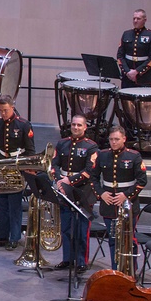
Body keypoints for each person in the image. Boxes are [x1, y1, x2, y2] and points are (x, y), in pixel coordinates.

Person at [91, 125, 147, 272]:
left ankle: (130, 272)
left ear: (124, 139)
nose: (114, 142)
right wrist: (101, 194)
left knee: (129, 240)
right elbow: (93, 178)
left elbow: (142, 181)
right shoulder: (102, 155)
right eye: (111, 139)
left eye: (117, 139)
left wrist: (126, 196)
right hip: (108, 203)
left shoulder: (134, 156)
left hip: (128, 204)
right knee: (113, 240)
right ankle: (116, 271)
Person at [0, 95, 34, 251]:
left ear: (13, 107)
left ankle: (14, 237)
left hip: (16, 167)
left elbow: (30, 150)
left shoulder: (24, 125)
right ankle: (0, 234)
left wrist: (24, 169)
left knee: (14, 204)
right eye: (1, 110)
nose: (3, 114)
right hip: (1, 167)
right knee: (1, 202)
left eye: (5, 110)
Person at [53, 115, 99, 272]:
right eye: (73, 124)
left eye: (79, 125)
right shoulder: (62, 143)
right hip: (64, 191)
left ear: (85, 127)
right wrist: (59, 180)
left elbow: (89, 171)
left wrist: (68, 181)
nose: (76, 127)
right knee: (66, 227)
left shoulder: (91, 147)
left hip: (83, 193)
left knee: (81, 229)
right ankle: (67, 259)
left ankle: (81, 261)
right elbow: (54, 164)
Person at [117, 8, 151, 87]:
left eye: (138, 18)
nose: (135, 21)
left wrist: (137, 71)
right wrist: (127, 72)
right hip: (127, 77)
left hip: (144, 77)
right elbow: (120, 56)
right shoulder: (126, 34)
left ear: (145, 20)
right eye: (134, 18)